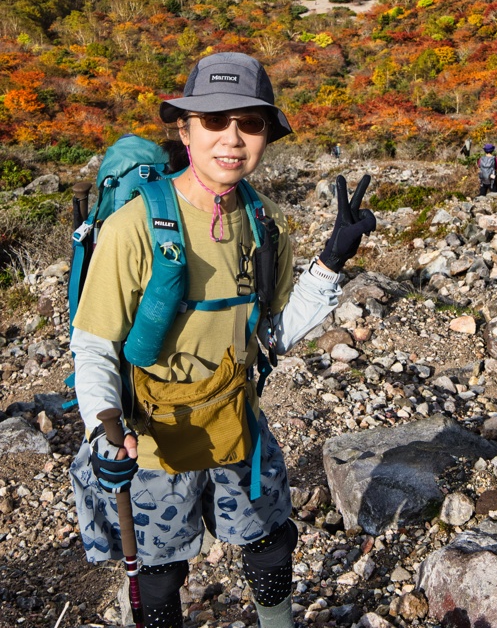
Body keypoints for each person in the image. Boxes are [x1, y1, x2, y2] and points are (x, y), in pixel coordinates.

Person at [69, 52, 376, 628]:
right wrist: (102, 427)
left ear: (265, 135)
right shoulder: (133, 228)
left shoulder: (265, 223)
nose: (232, 138)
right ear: (184, 131)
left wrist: (332, 263)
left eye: (250, 122)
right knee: (160, 577)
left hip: (239, 422)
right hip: (151, 438)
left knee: (270, 545)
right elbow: (94, 345)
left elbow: (273, 335)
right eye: (214, 121)